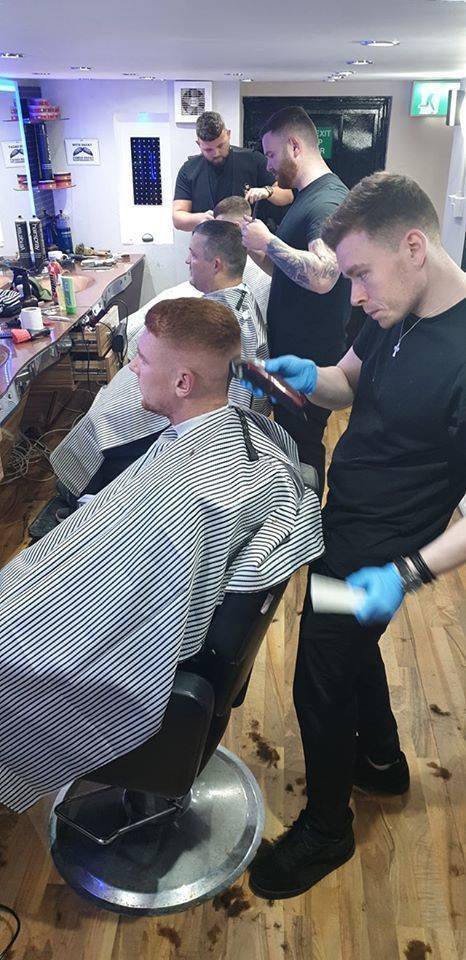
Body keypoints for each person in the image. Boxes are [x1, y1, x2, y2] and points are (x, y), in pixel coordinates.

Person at [0, 298, 324, 813]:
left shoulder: (193, 494)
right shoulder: (233, 434)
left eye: (143, 359)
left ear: (183, 382)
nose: (131, 367)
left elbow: (129, 616)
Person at [247, 172, 466, 900]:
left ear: (414, 247)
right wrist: (304, 377)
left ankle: (328, 829)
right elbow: (348, 380)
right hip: (345, 526)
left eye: (361, 275)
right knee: (347, 651)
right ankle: (380, 762)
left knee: (320, 677)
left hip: (383, 555)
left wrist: (407, 574)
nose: (356, 296)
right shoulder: (392, 307)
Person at [50, 220, 269, 498]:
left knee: (101, 423)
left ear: (216, 265)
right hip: (177, 411)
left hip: (177, 429)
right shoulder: (238, 303)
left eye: (193, 255)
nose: (187, 260)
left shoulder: (223, 325)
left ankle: (83, 493)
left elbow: (227, 405)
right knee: (102, 414)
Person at [241, 106, 351, 494]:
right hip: (294, 351)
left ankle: (307, 525)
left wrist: (269, 240)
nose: (269, 166)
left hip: (312, 358)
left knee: (303, 449)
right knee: (290, 443)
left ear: (294, 146)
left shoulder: (327, 202)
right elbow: (291, 273)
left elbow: (323, 276)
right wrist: (257, 250)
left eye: (272, 155)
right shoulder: (306, 197)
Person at [173, 111, 293, 232]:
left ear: (228, 134)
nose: (216, 153)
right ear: (198, 144)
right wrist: (200, 219)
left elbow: (287, 195)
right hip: (208, 240)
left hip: (250, 240)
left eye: (220, 146)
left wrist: (267, 191)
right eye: (208, 149)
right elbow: (177, 218)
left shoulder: (253, 160)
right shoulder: (189, 170)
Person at [213, 195, 271, 320]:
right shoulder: (269, 260)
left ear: (236, 227)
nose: (216, 235)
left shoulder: (241, 265)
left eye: (220, 228)